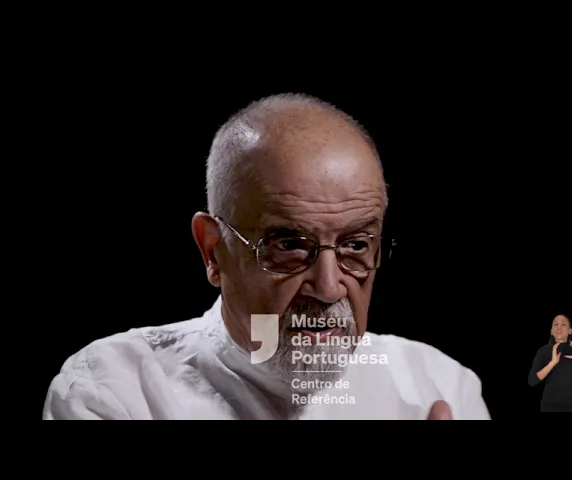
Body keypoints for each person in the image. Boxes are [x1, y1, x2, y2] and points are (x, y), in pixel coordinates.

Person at [43, 93, 491, 420]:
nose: (329, 287)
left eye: (355, 245)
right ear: (213, 251)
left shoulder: (440, 387)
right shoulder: (114, 392)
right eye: (289, 245)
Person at [528, 314, 572, 412]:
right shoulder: (543, 351)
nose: (559, 327)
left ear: (570, 331)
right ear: (551, 331)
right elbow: (532, 381)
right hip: (549, 407)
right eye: (556, 324)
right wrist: (552, 363)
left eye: (563, 324)